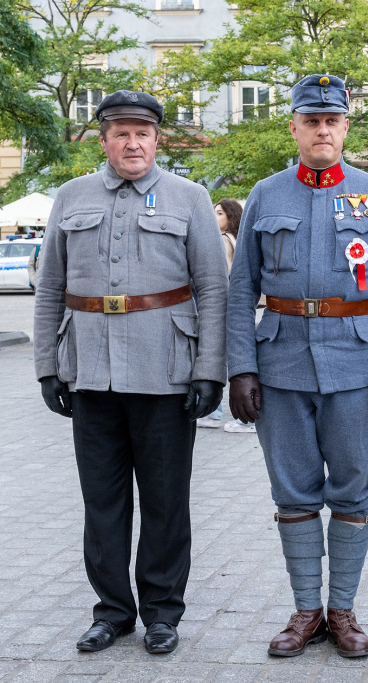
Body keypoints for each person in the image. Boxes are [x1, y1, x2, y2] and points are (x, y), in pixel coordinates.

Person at [226, 75, 368, 659]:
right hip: (280, 362)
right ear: (295, 126)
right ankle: (307, 610)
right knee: (293, 492)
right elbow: (240, 290)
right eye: (312, 120)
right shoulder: (266, 192)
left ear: (346, 127)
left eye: (332, 120)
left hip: (358, 365)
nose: (322, 129)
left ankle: (344, 610)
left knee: (354, 491)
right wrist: (241, 368)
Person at [33, 90, 227, 655]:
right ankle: (113, 611)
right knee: (103, 500)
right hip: (90, 371)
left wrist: (209, 368)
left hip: (166, 371)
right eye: (121, 132)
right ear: (104, 139)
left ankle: (162, 612)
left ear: (157, 139)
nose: (132, 142)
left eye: (142, 132)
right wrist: (49, 366)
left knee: (167, 501)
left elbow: (213, 287)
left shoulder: (189, 197)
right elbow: (50, 288)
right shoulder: (71, 197)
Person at [198, 198, 254, 432]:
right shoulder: (236, 240)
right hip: (233, 307)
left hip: (223, 305)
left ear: (230, 217)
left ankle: (224, 414)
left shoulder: (222, 241)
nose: (214, 216)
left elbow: (219, 276)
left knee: (222, 356)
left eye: (219, 213)